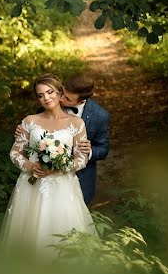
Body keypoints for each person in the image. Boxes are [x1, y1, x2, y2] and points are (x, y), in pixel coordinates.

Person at [0, 74, 96, 256]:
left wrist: (60, 167)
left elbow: (82, 159)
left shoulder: (76, 123)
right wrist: (29, 166)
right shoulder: (29, 122)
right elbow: (15, 152)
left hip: (63, 187)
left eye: (50, 92)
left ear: (60, 93)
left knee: (64, 233)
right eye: (40, 95)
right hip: (32, 186)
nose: (46, 98)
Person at [16, 73, 110, 205]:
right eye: (62, 92)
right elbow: (37, 128)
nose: (60, 98)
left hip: (79, 177)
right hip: (39, 178)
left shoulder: (100, 116)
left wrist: (89, 151)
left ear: (81, 101)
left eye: (67, 98)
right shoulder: (47, 103)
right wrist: (24, 133)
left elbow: (104, 149)